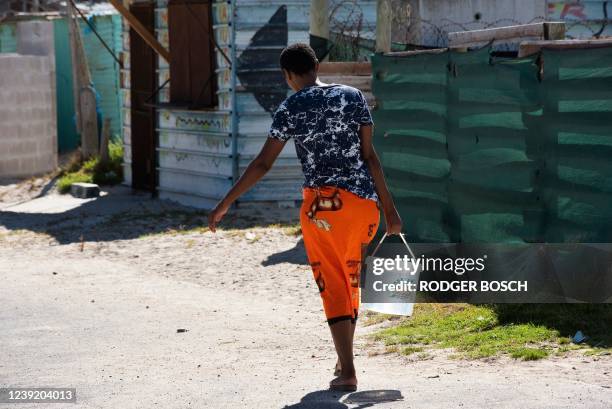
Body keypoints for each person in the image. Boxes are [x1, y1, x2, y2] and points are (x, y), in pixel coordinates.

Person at [208, 43, 402, 392]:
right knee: (350, 278)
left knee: (334, 285)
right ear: (316, 65)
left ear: (287, 75)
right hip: (364, 206)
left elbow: (263, 164)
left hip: (324, 209)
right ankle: (344, 359)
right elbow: (371, 157)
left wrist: (225, 202)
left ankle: (348, 372)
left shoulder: (290, 107)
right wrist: (390, 212)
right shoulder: (352, 96)